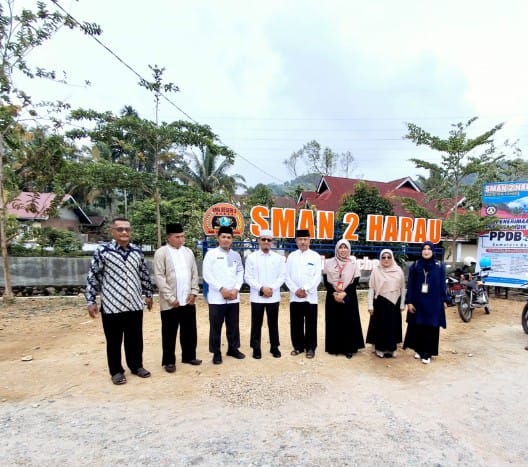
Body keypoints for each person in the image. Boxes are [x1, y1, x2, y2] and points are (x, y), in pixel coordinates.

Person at [85, 217, 153, 385]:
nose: (124, 232)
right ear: (112, 231)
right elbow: (93, 276)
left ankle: (136, 366)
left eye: (127, 229)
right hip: (112, 305)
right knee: (114, 341)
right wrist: (91, 300)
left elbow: (144, 274)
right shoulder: (103, 251)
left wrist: (148, 294)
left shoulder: (136, 251)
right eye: (120, 229)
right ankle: (116, 371)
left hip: (134, 304)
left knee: (135, 339)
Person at [153, 223, 202, 373]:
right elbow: (159, 277)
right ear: (169, 237)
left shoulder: (188, 252)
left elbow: (194, 274)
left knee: (189, 331)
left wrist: (194, 292)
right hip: (171, 302)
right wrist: (170, 298)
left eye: (182, 236)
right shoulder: (161, 253)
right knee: (169, 332)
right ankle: (169, 361)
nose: (181, 239)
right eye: (177, 237)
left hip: (188, 300)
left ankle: (189, 356)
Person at [202, 225, 245, 364]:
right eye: (223, 237)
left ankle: (233, 349)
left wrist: (236, 289)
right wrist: (221, 289)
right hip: (217, 298)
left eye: (229, 237)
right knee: (216, 326)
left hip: (233, 297)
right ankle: (216, 353)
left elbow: (240, 272)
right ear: (218, 238)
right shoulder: (211, 254)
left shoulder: (236, 255)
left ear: (232, 239)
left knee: (233, 325)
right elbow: (207, 275)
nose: (226, 239)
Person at [403, 240, 450, 364]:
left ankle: (427, 353)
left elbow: (442, 285)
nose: (426, 251)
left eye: (429, 249)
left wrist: (445, 299)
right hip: (418, 301)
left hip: (434, 302)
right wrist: (409, 301)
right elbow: (411, 285)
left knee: (431, 327)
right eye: (424, 249)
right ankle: (418, 350)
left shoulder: (439, 266)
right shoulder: (415, 265)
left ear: (433, 251)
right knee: (418, 326)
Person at [244, 229, 286, 359]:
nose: (266, 242)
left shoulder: (279, 258)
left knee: (273, 323)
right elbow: (248, 277)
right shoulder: (251, 257)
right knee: (256, 324)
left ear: (272, 242)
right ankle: (256, 348)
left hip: (273, 296)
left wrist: (271, 288)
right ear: (259, 241)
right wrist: (262, 288)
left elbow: (282, 276)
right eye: (263, 239)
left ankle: (274, 347)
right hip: (257, 297)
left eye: (269, 240)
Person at [323, 239, 365, 358]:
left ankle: (349, 348)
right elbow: (326, 280)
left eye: (345, 247)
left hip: (349, 296)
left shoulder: (353, 263)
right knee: (334, 321)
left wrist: (344, 293)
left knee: (348, 322)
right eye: (340, 247)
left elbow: (355, 281)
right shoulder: (329, 263)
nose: (343, 250)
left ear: (349, 249)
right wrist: (334, 293)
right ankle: (335, 348)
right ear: (337, 249)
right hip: (332, 296)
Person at [285, 229, 322, 358]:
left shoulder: (315, 256)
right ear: (296, 241)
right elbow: (286, 276)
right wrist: (296, 290)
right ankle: (298, 347)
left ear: (309, 240)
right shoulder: (291, 256)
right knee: (296, 323)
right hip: (295, 296)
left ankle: (310, 348)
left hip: (310, 297)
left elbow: (317, 277)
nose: (303, 242)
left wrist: (305, 289)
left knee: (311, 323)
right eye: (300, 239)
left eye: (305, 239)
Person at [366, 249, 405, 358]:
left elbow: (402, 288)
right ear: (380, 258)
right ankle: (380, 348)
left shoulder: (398, 270)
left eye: (389, 257)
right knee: (381, 326)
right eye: (383, 257)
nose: (386, 259)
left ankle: (392, 348)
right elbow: (371, 288)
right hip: (380, 302)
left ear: (392, 258)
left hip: (394, 303)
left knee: (392, 326)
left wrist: (402, 303)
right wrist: (370, 305)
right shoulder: (376, 271)